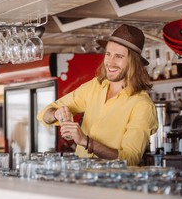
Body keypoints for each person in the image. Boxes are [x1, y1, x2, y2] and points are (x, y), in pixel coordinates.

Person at [37, 24, 158, 166]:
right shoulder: (95, 86)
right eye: (108, 54)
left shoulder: (142, 105)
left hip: (111, 185)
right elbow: (43, 114)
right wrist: (57, 114)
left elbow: (129, 160)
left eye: (118, 56)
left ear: (134, 63)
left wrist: (85, 141)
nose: (110, 62)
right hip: (80, 179)